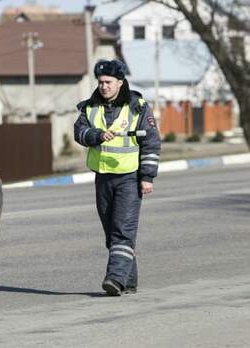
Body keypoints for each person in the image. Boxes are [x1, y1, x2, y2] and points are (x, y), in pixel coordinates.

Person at [74, 59, 161, 296]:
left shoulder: (138, 107)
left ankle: (114, 278)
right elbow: (79, 133)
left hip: (129, 179)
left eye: (108, 82)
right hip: (102, 178)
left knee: (122, 230)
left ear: (120, 83)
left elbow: (151, 144)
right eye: (101, 82)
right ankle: (128, 281)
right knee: (111, 232)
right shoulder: (90, 107)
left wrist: (147, 177)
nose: (103, 87)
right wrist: (96, 135)